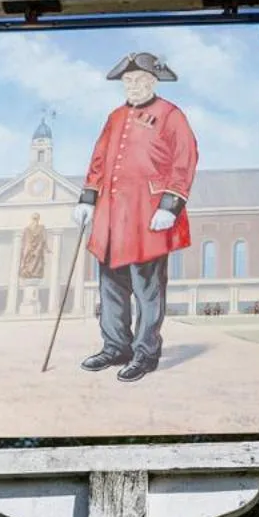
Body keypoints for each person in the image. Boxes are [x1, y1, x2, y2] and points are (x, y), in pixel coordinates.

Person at [73, 52, 198, 383]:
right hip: (111, 217)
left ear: (153, 82)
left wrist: (170, 206)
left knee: (147, 289)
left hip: (148, 216)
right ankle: (116, 346)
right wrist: (88, 198)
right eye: (128, 81)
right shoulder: (115, 116)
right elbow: (99, 159)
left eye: (140, 81)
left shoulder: (171, 115)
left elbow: (184, 160)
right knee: (111, 285)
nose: (133, 86)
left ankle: (145, 352)